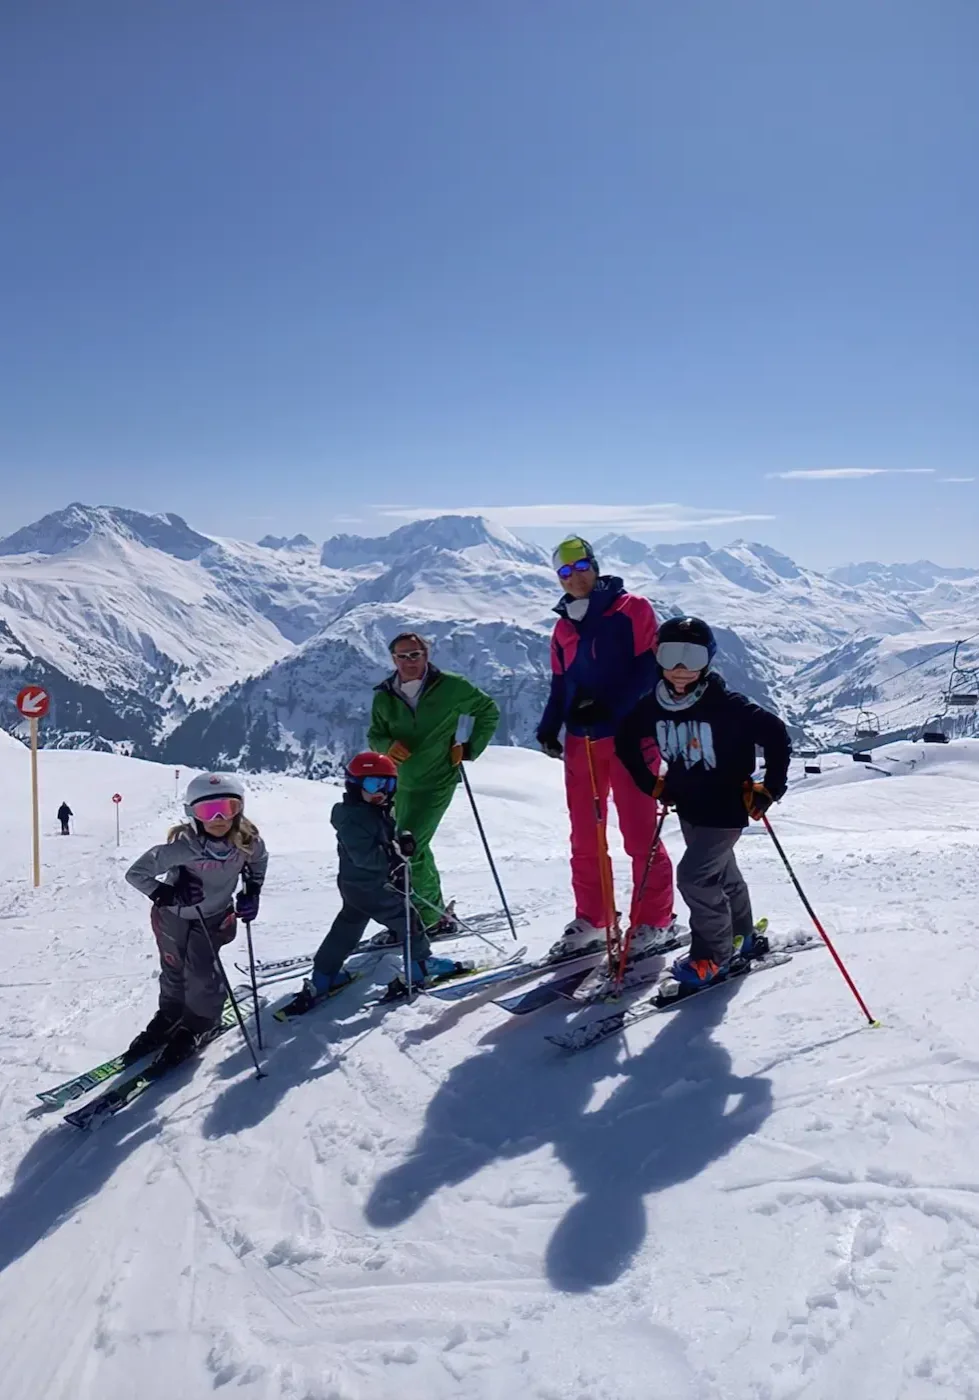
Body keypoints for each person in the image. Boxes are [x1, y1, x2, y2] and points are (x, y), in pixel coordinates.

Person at [615, 616, 791, 989]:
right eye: (670, 655)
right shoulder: (655, 705)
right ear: (657, 656)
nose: (680, 669)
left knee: (695, 878)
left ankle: (714, 956)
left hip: (725, 810)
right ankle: (741, 936)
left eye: (691, 657)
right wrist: (652, 784)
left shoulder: (727, 705)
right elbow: (626, 739)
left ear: (708, 660)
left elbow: (776, 735)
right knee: (723, 875)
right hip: (689, 808)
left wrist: (770, 788)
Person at [536, 535, 674, 955]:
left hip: (631, 735)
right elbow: (562, 682)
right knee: (585, 835)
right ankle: (594, 917)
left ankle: (656, 919)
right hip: (582, 741)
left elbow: (648, 667)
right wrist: (549, 724)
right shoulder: (562, 626)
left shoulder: (632, 609)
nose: (574, 578)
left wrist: (610, 707)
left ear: (594, 567)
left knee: (639, 831)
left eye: (580, 569)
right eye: (565, 572)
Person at [282, 753, 464, 1015]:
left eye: (388, 785)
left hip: (355, 886)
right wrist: (395, 863)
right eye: (373, 785)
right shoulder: (355, 820)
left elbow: (385, 838)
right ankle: (420, 965)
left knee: (347, 927)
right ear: (355, 786)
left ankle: (324, 976)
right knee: (408, 919)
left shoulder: (368, 811)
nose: (381, 792)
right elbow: (367, 856)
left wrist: (403, 841)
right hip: (373, 887)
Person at [123, 773, 268, 1066]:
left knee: (201, 970)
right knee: (173, 967)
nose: (218, 818)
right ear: (192, 813)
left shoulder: (248, 843)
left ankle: (200, 1023)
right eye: (206, 810)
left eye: (227, 808)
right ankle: (171, 1014)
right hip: (172, 917)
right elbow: (136, 874)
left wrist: (252, 891)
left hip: (213, 917)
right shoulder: (182, 847)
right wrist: (168, 893)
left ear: (239, 809)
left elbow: (258, 862)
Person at [367, 633, 500, 931]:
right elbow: (374, 734)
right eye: (402, 656)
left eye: (414, 654)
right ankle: (426, 909)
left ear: (426, 654)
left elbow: (488, 710)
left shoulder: (452, 686)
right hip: (399, 783)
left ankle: (429, 919)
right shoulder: (384, 695)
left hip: (436, 780)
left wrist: (468, 748)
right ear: (393, 659)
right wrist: (386, 746)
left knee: (409, 846)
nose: (409, 661)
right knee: (406, 846)